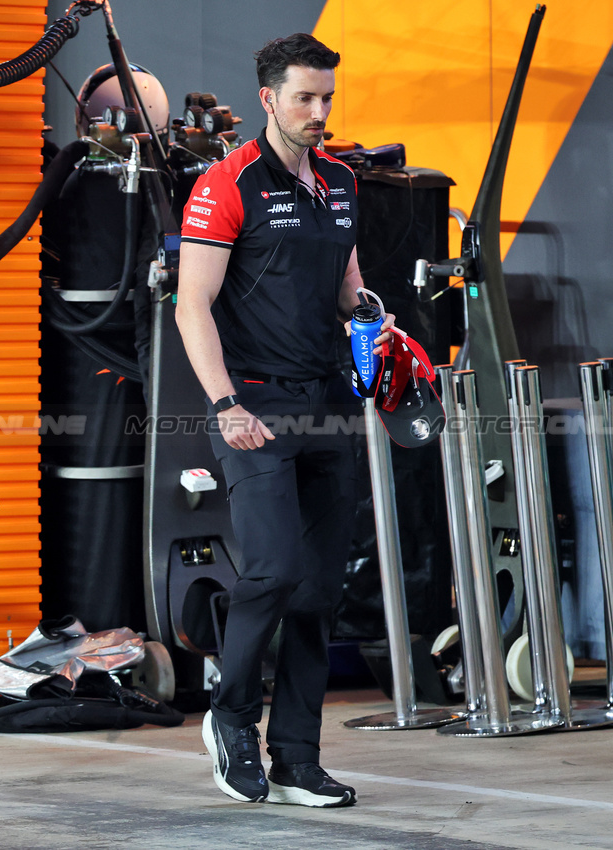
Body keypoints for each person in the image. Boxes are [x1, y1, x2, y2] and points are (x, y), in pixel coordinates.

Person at [175, 33, 394, 808]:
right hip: (254, 406)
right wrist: (224, 403)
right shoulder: (225, 181)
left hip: (329, 401)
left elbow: (346, 281)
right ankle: (229, 719)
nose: (318, 113)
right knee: (269, 570)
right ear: (268, 98)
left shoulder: (338, 181)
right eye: (304, 97)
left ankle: (296, 757)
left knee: (318, 592)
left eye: (326, 98)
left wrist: (370, 317)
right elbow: (190, 303)